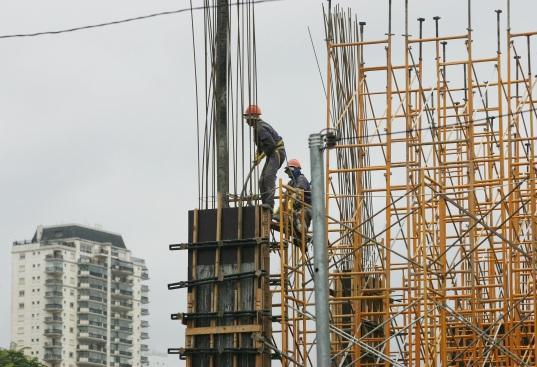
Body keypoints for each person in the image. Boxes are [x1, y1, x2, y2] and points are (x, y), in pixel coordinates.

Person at [243, 104, 286, 210]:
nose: (246, 121)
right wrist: (257, 155)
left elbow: (270, 145)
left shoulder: (260, 128)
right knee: (261, 180)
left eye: (247, 118)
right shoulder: (257, 128)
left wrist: (261, 157)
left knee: (268, 177)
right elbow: (262, 146)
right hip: (271, 153)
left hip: (276, 152)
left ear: (252, 118)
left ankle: (269, 204)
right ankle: (265, 204)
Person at [284, 159, 312, 235]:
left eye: (289, 171)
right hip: (297, 207)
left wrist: (290, 203)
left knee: (300, 214)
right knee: (286, 214)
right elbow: (285, 196)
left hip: (307, 207)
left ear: (295, 170)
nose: (288, 174)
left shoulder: (301, 179)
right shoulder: (291, 182)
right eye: (287, 172)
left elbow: (298, 192)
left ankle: (301, 232)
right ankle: (297, 232)